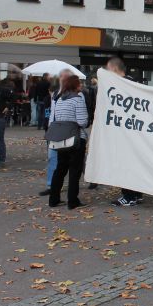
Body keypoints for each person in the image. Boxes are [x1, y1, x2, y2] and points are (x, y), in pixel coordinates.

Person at [108, 58, 145, 207]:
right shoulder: (134, 82)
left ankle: (128, 196)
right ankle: (136, 194)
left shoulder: (121, 84)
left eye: (109, 69)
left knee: (125, 164)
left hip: (124, 131)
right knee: (134, 163)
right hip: (134, 130)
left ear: (115, 69)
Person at [48, 75, 88, 210]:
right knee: (74, 170)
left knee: (60, 169)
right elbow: (83, 121)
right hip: (76, 139)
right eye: (79, 83)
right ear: (75, 85)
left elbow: (57, 118)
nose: (81, 85)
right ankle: (73, 200)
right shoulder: (78, 99)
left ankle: (53, 199)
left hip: (61, 139)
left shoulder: (59, 99)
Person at [41, 69, 73, 196]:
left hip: (64, 130)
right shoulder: (54, 96)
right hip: (54, 130)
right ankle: (51, 184)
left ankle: (87, 175)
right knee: (52, 158)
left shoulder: (68, 95)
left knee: (71, 158)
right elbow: (51, 115)